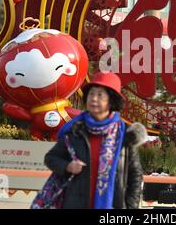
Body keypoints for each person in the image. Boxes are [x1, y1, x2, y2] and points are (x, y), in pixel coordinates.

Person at [44, 71, 147, 209]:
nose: (93, 99)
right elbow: (51, 158)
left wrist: (130, 206)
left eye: (100, 95)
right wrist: (68, 166)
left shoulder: (125, 135)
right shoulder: (75, 130)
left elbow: (135, 176)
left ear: (111, 101)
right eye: (91, 94)